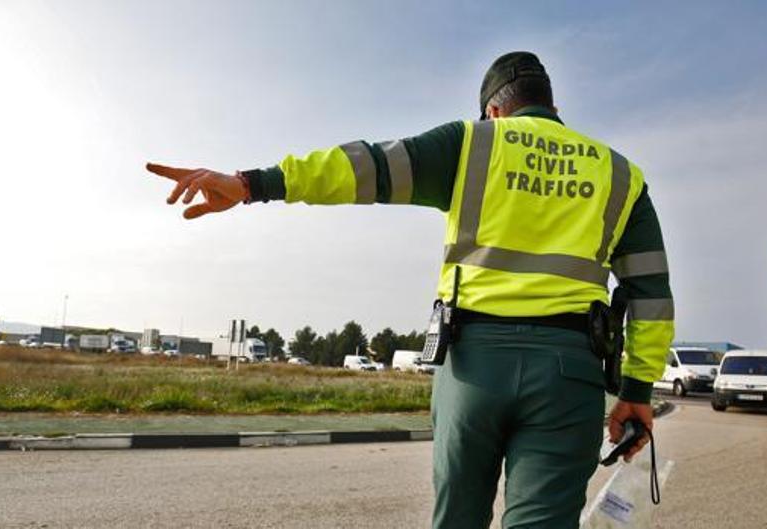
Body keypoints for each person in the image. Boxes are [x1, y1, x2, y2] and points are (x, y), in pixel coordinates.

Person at [146, 51, 673, 529]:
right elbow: (650, 294)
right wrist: (637, 392)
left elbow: (364, 167)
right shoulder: (620, 175)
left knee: (457, 518)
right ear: (551, 106)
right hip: (568, 374)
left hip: (473, 367)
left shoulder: (472, 144)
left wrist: (252, 184)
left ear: (493, 111)